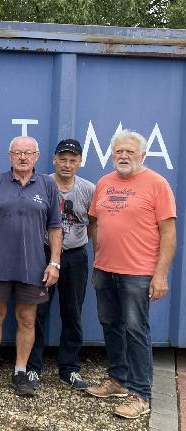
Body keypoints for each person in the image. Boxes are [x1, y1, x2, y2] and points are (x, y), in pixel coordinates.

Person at [85, 130, 176, 419]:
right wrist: (99, 257)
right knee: (110, 324)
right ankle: (118, 380)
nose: (123, 156)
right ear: (112, 155)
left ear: (142, 155)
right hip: (105, 270)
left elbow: (169, 233)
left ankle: (140, 394)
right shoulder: (104, 183)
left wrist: (160, 274)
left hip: (138, 273)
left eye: (129, 152)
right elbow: (94, 222)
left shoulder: (157, 184)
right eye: (118, 152)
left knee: (136, 330)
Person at [0, 136, 62, 397]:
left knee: (27, 319)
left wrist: (54, 262)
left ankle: (20, 372)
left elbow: (55, 227)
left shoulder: (47, 185)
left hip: (32, 265)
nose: (23, 157)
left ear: (37, 155)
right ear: (9, 155)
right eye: (18, 153)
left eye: (28, 153)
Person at [27, 139, 94, 390]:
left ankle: (70, 368)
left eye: (73, 160)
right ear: (54, 159)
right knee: (37, 311)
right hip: (43, 253)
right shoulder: (42, 184)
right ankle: (33, 367)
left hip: (75, 255)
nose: (67, 164)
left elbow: (94, 224)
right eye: (63, 159)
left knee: (72, 311)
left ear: (79, 162)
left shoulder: (88, 189)